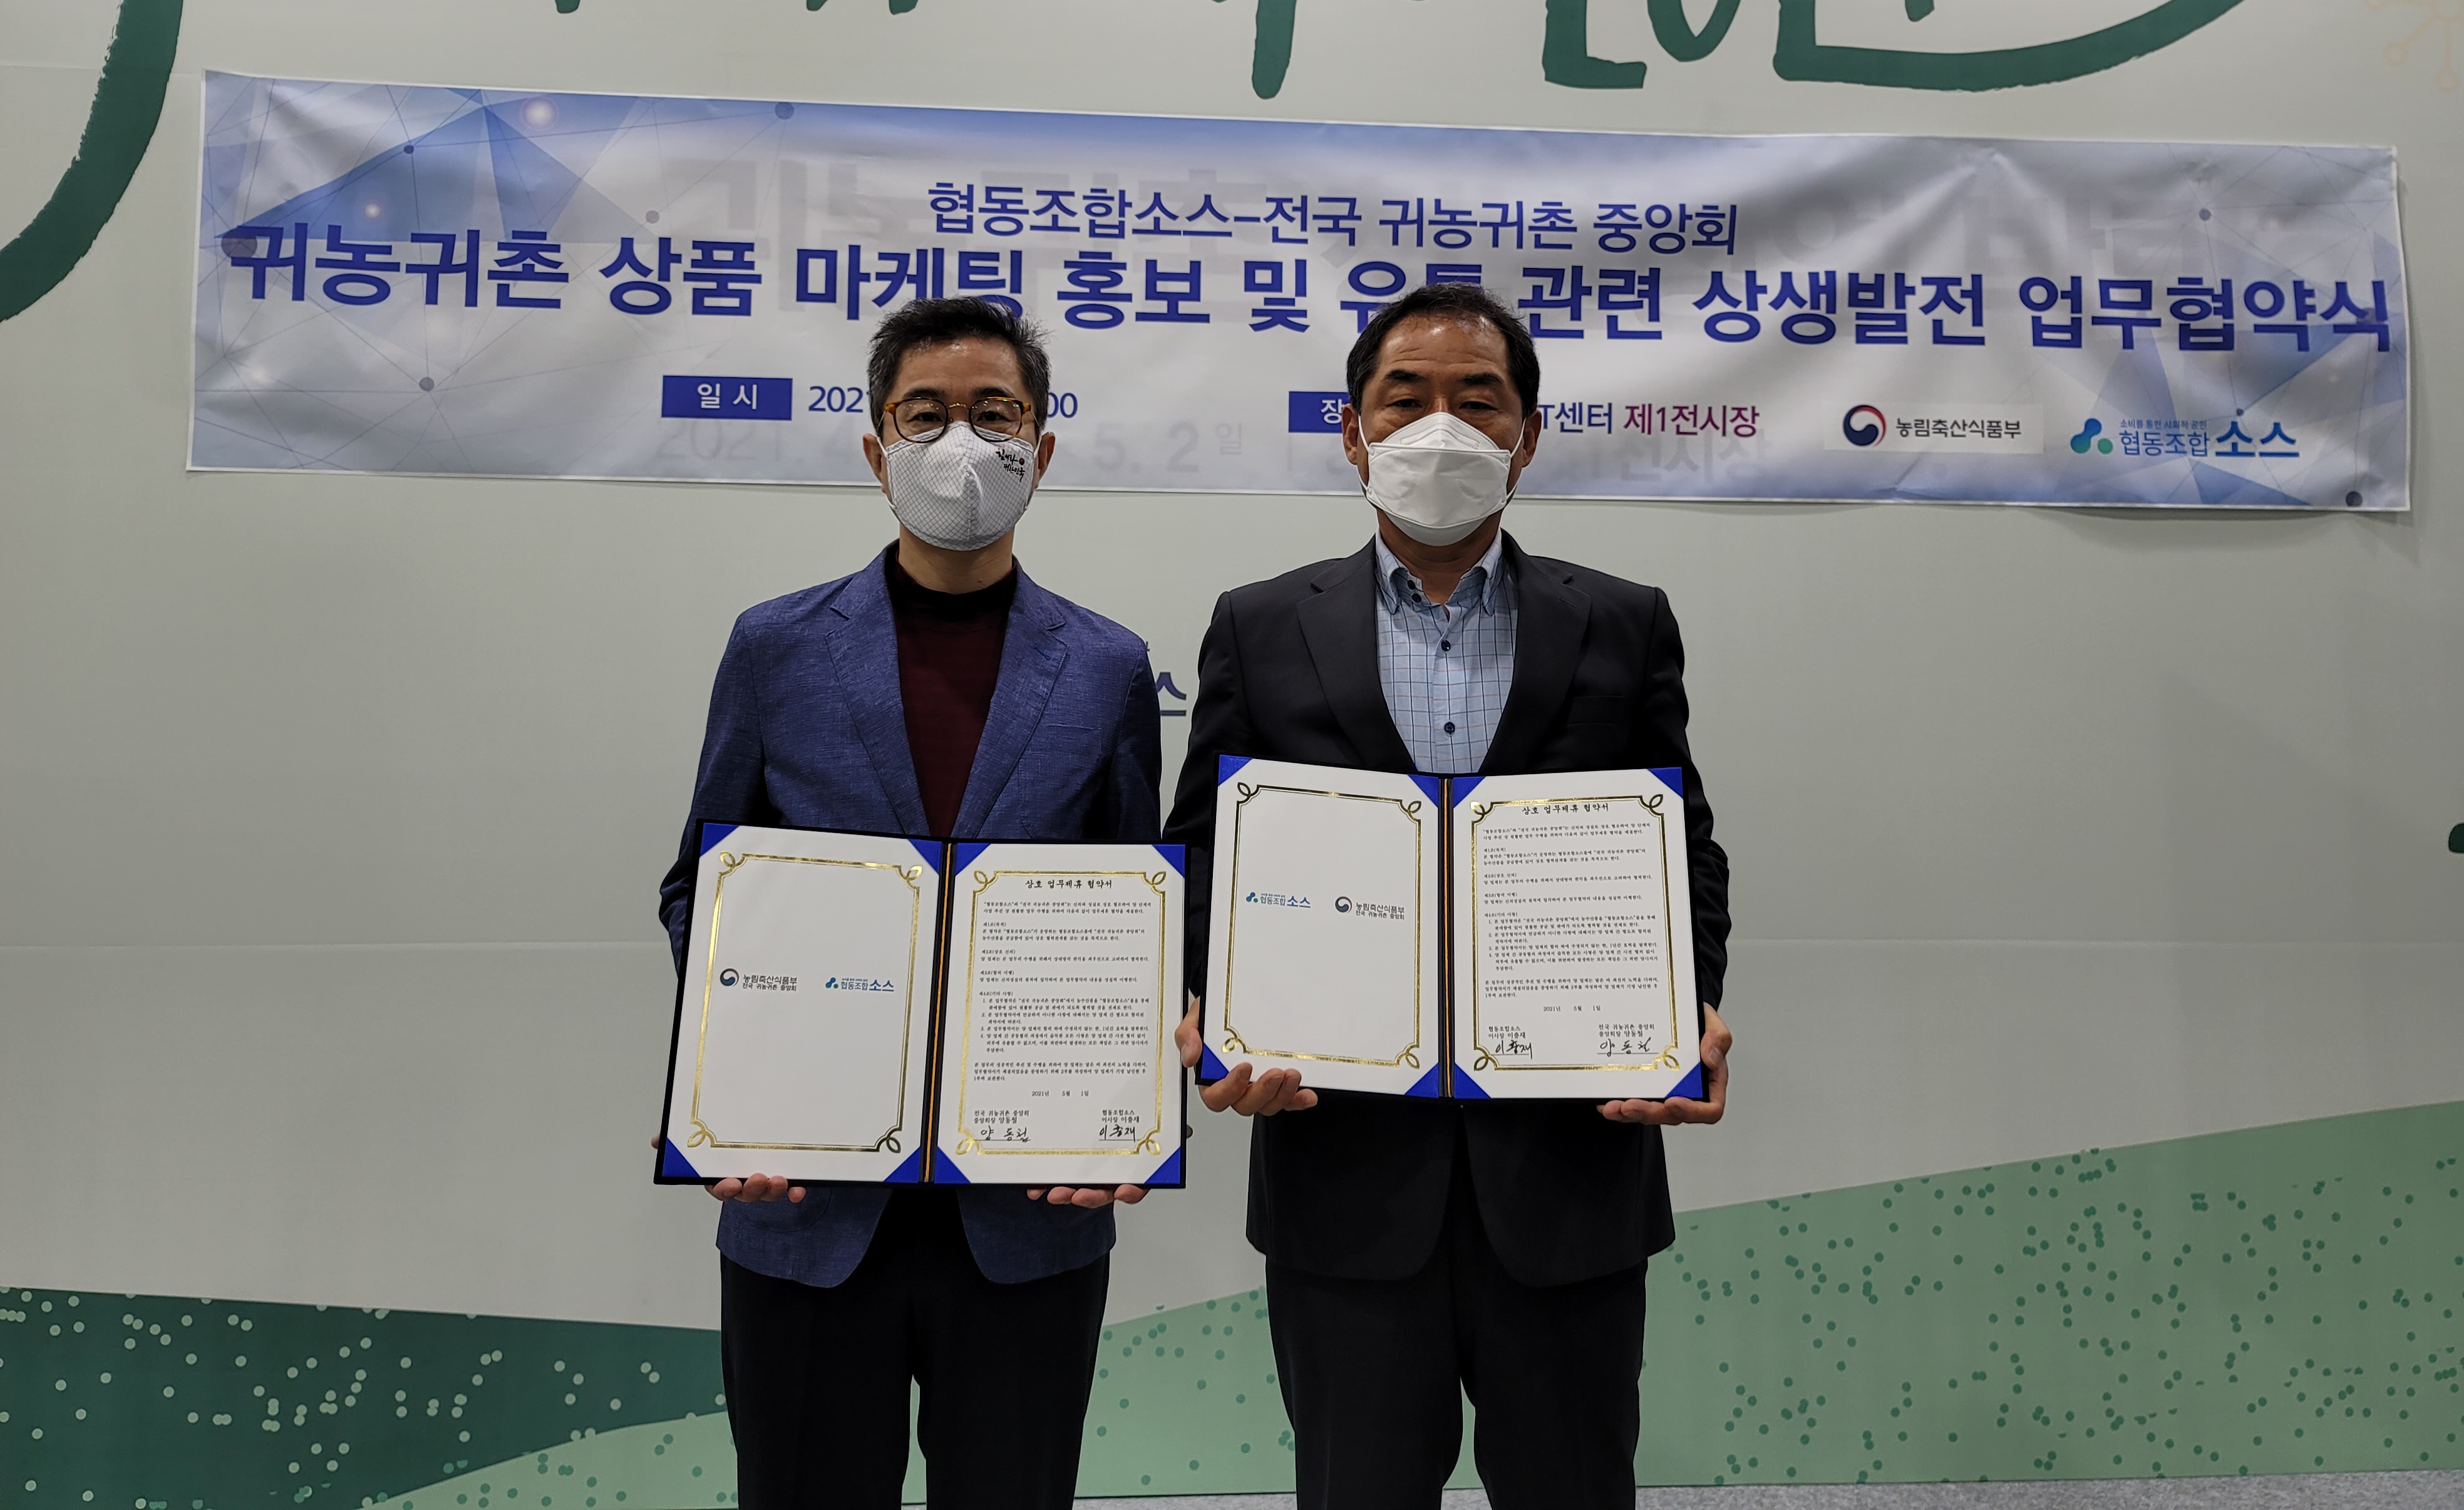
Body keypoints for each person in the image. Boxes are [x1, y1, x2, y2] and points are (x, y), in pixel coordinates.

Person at [1167, 282, 1735, 1510]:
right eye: (1404, 398)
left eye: (1478, 401)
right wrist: (1210, 1023)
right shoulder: (1259, 626)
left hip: (1572, 1168)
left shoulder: (1622, 623)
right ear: (1352, 430)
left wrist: (1684, 1019)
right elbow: (1205, 857)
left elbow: (1679, 849)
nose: (1441, 428)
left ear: (1526, 437)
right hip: (1342, 1172)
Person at [655, 296, 1162, 1510]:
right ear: (875, 448)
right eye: (925, 415)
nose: (959, 444)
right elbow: (701, 889)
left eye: (995, 415)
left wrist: (1122, 1119)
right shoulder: (774, 647)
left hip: (1027, 1211)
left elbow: (1135, 915)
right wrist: (738, 1087)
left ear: (1041, 449)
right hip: (805, 1201)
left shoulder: (1107, 666)